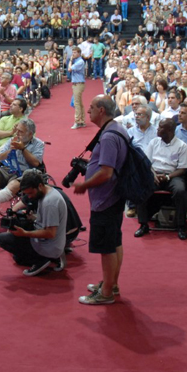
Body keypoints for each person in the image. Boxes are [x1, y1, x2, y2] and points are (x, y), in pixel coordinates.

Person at [72, 95, 127, 305]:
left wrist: (84, 185)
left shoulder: (109, 136)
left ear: (102, 110)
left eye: (92, 107)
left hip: (106, 198)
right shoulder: (116, 129)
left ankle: (106, 293)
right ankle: (111, 284)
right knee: (114, 241)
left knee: (106, 247)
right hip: (113, 196)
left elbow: (106, 172)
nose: (88, 111)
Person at [0, 169, 68, 276]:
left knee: (3, 239)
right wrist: (32, 218)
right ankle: (47, 257)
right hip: (52, 242)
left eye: (30, 193)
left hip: (49, 246)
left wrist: (25, 233)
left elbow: (50, 233)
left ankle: (41, 259)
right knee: (18, 258)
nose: (29, 197)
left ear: (39, 186)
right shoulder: (48, 191)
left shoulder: (50, 203)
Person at [134, 118, 187, 239]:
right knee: (142, 187)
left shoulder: (182, 146)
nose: (157, 129)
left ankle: (181, 225)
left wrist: (167, 177)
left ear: (169, 130)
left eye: (161, 127)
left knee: (180, 190)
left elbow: (183, 169)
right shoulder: (154, 142)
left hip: (173, 175)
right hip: (155, 174)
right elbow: (146, 163)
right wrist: (153, 174)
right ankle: (143, 224)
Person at [70, 47, 86, 129]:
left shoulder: (80, 61)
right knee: (79, 103)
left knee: (76, 103)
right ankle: (82, 121)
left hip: (78, 84)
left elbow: (69, 69)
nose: (73, 54)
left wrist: (70, 61)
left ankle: (77, 121)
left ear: (79, 53)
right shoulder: (77, 61)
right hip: (76, 84)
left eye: (75, 52)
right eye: (73, 52)